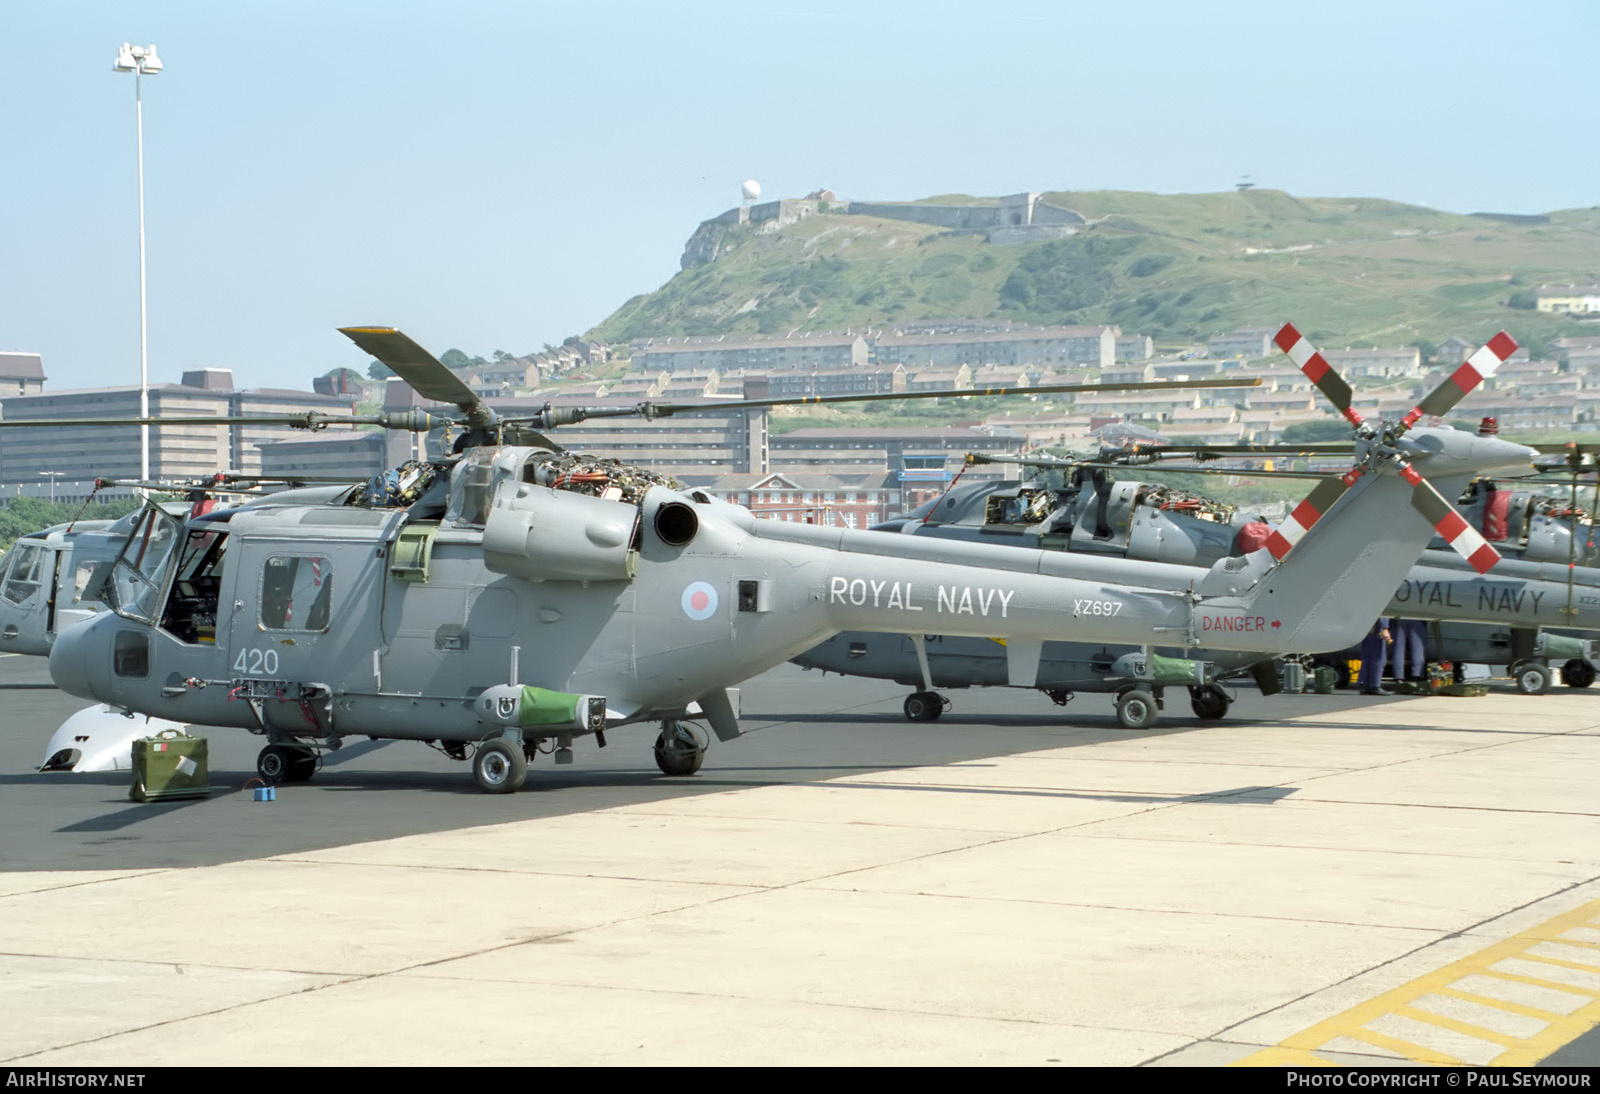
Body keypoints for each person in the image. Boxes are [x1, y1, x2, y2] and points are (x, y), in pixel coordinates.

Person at [1358, 617, 1392, 695]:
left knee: (1367, 656)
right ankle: (1375, 685)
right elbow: (1382, 610)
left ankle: (1364, 684)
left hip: (1368, 625)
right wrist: (1384, 628)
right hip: (1377, 627)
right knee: (1379, 658)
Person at [1390, 618, 1426, 685]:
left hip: (1399, 617)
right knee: (1418, 649)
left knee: (1398, 648)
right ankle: (1417, 675)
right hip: (1417, 617)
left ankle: (1398, 676)